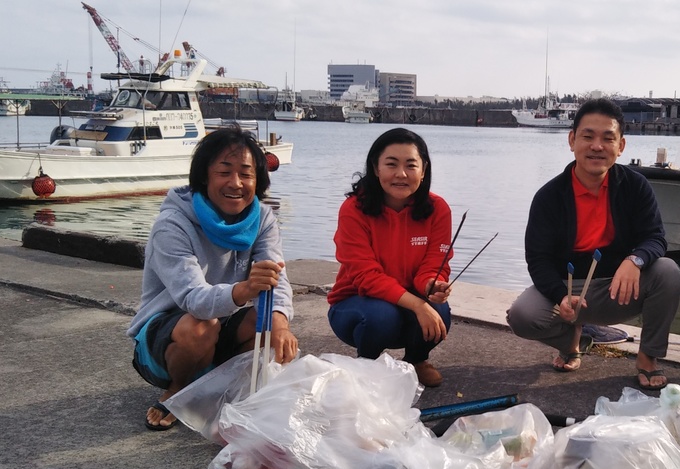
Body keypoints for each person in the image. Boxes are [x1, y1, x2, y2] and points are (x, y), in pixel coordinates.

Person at [127, 124, 298, 430]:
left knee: (271, 324)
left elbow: (277, 279)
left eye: (246, 173)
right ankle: (178, 391)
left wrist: (281, 323)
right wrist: (244, 289)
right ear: (204, 176)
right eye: (225, 172)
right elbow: (193, 299)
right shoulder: (173, 224)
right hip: (168, 338)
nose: (236, 183)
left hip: (224, 322)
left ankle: (224, 389)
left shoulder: (263, 220)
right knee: (201, 325)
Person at [506, 98, 680, 390]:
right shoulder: (549, 196)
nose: (597, 146)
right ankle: (571, 341)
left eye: (607, 138)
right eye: (588, 136)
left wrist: (635, 260)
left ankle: (648, 356)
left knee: (667, 271)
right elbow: (538, 259)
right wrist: (560, 295)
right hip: (571, 288)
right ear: (572, 140)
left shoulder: (635, 186)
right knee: (522, 315)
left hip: (619, 287)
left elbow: (655, 237)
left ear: (621, 146)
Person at [327, 128, 453, 387]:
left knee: (440, 310)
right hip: (356, 301)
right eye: (391, 164)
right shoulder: (353, 210)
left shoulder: (438, 208)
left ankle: (416, 362)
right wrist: (418, 305)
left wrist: (432, 284)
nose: (401, 174)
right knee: (382, 316)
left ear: (424, 169)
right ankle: (367, 366)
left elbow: (434, 265)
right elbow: (366, 276)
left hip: (407, 299)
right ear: (375, 168)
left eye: (411, 165)